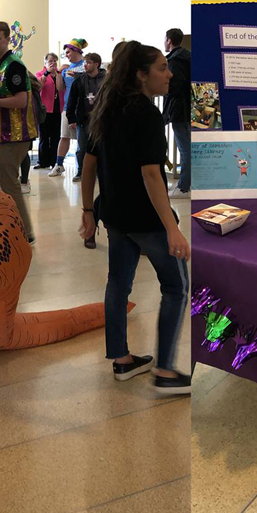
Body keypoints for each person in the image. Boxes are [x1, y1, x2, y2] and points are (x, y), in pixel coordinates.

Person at [78, 41, 191, 395]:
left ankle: (122, 360)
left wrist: (87, 211)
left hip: (114, 215)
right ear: (141, 76)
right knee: (177, 287)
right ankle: (165, 372)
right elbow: (152, 176)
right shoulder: (147, 114)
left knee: (118, 283)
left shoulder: (107, 109)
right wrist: (173, 229)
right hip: (146, 220)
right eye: (161, 68)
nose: (169, 73)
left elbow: (89, 165)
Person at [0, 21, 37, 244]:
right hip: (4, 134)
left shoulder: (13, 65)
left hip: (14, 135)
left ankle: (25, 232)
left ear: (8, 39)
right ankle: (16, 227)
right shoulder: (1, 65)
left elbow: (21, 100)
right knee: (7, 183)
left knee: (10, 184)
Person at [66, 53, 106, 248]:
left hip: (104, 123)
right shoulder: (79, 81)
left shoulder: (106, 80)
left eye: (89, 62)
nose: (87, 65)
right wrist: (72, 117)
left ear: (97, 64)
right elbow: (72, 100)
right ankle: (83, 171)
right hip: (85, 122)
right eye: (86, 62)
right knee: (84, 150)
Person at [51, 39, 87, 179]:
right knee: (64, 136)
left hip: (83, 107)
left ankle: (82, 168)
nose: (66, 55)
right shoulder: (66, 68)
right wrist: (59, 73)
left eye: (68, 52)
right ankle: (59, 165)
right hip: (68, 107)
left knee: (82, 139)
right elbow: (60, 88)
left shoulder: (85, 65)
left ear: (76, 50)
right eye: (65, 52)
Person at [162, 28, 191, 198]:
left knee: (185, 148)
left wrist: (164, 90)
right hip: (187, 108)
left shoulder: (175, 60)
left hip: (180, 110)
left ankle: (184, 186)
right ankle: (185, 184)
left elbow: (175, 85)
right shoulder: (187, 56)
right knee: (186, 147)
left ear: (169, 41)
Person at [34, 53, 65, 170]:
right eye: (50, 61)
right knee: (44, 137)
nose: (53, 63)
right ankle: (43, 161)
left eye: (55, 61)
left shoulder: (59, 74)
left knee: (56, 136)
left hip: (57, 109)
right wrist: (46, 73)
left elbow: (60, 88)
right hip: (45, 110)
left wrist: (57, 74)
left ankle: (54, 161)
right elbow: (38, 86)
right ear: (45, 63)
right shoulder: (40, 74)